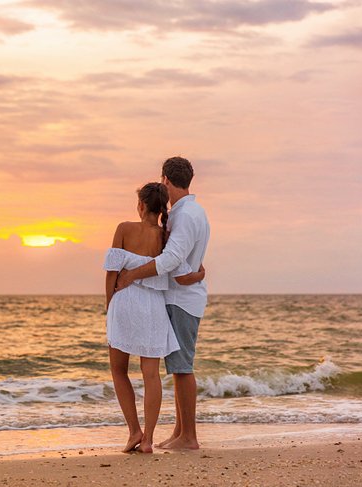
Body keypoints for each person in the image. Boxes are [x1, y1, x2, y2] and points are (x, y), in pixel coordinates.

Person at [115, 156, 210, 451]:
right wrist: (195, 273)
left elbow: (171, 259)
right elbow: (186, 257)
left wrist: (132, 275)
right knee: (178, 367)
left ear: (166, 181)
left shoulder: (185, 215)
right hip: (182, 297)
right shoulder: (192, 211)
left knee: (182, 368)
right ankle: (180, 432)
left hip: (181, 301)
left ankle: (189, 436)